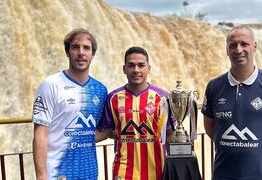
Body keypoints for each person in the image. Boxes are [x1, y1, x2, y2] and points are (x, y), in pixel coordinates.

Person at [202, 26, 262, 180]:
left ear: (255, 47)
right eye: (233, 45)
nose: (238, 50)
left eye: (244, 44)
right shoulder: (214, 86)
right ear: (227, 50)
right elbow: (210, 126)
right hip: (224, 175)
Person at [32, 28, 109, 180]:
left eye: (86, 48)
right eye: (75, 47)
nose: (81, 52)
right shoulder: (50, 85)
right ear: (67, 52)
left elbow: (101, 130)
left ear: (92, 54)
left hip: (89, 173)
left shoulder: (100, 90)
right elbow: (40, 134)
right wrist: (41, 176)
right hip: (57, 173)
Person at [97, 46, 175, 180]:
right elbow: (105, 131)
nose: (136, 70)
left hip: (158, 172)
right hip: (123, 172)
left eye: (141, 65)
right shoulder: (113, 98)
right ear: (124, 69)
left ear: (148, 69)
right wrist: (74, 138)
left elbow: (170, 133)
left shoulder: (163, 98)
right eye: (131, 65)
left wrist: (178, 163)